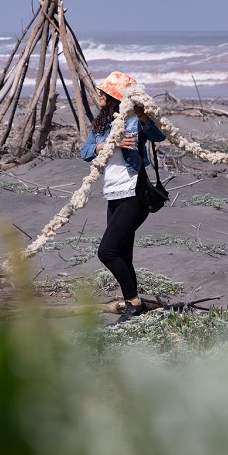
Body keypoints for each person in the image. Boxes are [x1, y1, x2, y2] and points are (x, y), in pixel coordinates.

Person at [80, 71, 167, 323]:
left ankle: (134, 303)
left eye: (104, 92)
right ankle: (134, 308)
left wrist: (143, 116)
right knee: (122, 254)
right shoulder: (102, 124)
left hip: (134, 193)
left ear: (115, 96)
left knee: (106, 252)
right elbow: (85, 152)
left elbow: (159, 136)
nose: (99, 94)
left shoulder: (133, 119)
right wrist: (108, 144)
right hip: (113, 194)